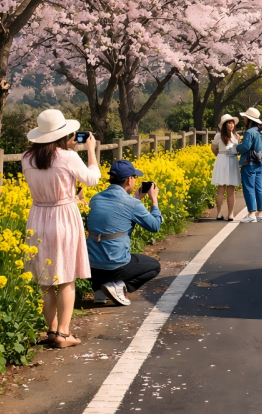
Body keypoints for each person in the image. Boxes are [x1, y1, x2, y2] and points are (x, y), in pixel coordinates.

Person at [22, 109, 101, 349]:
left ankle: (52, 330)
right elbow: (92, 179)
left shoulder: (27, 157)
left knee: (46, 280)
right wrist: (90, 150)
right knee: (66, 278)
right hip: (63, 216)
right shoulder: (68, 157)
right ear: (63, 134)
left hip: (37, 218)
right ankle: (64, 334)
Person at [86, 160, 163, 307]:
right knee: (154, 266)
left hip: (90, 267)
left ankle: (99, 290)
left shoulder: (96, 199)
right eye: (134, 177)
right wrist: (154, 201)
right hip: (115, 266)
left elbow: (115, 214)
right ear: (129, 179)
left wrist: (134, 199)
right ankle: (119, 286)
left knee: (101, 246)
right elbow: (155, 226)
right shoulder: (132, 204)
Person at [238, 107, 262, 223]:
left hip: (249, 163)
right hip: (260, 162)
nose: (244, 119)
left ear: (249, 119)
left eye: (245, 117)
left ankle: (251, 214)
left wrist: (236, 147)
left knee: (249, 188)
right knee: (259, 188)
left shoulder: (250, 132)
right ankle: (261, 214)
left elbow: (245, 147)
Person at [210, 114, 242, 220]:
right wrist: (221, 155)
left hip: (229, 160)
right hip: (224, 160)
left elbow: (214, 149)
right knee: (221, 189)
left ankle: (230, 214)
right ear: (224, 124)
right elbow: (214, 148)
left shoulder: (236, 136)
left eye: (232, 122)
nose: (231, 125)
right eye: (229, 123)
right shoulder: (219, 136)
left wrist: (220, 155)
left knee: (230, 190)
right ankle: (220, 213)